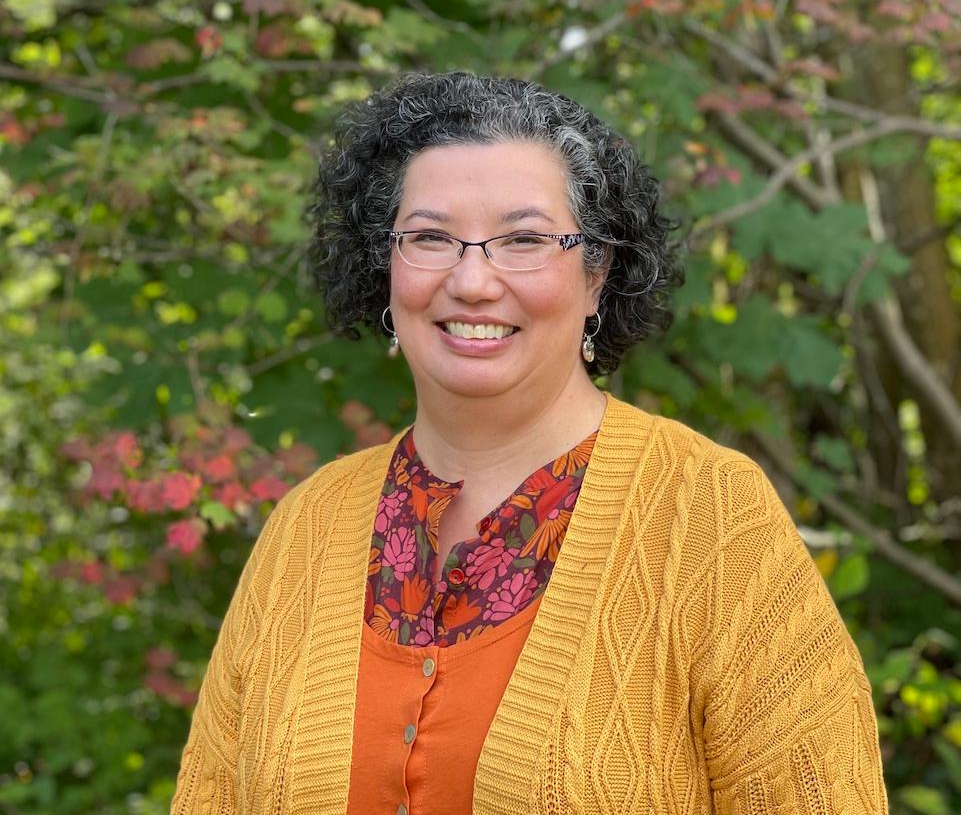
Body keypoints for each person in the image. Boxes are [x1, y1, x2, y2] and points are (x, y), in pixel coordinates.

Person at [172, 72, 887, 814]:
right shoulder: (305, 529)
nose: (472, 280)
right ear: (384, 267)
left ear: (596, 276)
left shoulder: (705, 517)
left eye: (523, 240)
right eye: (429, 238)